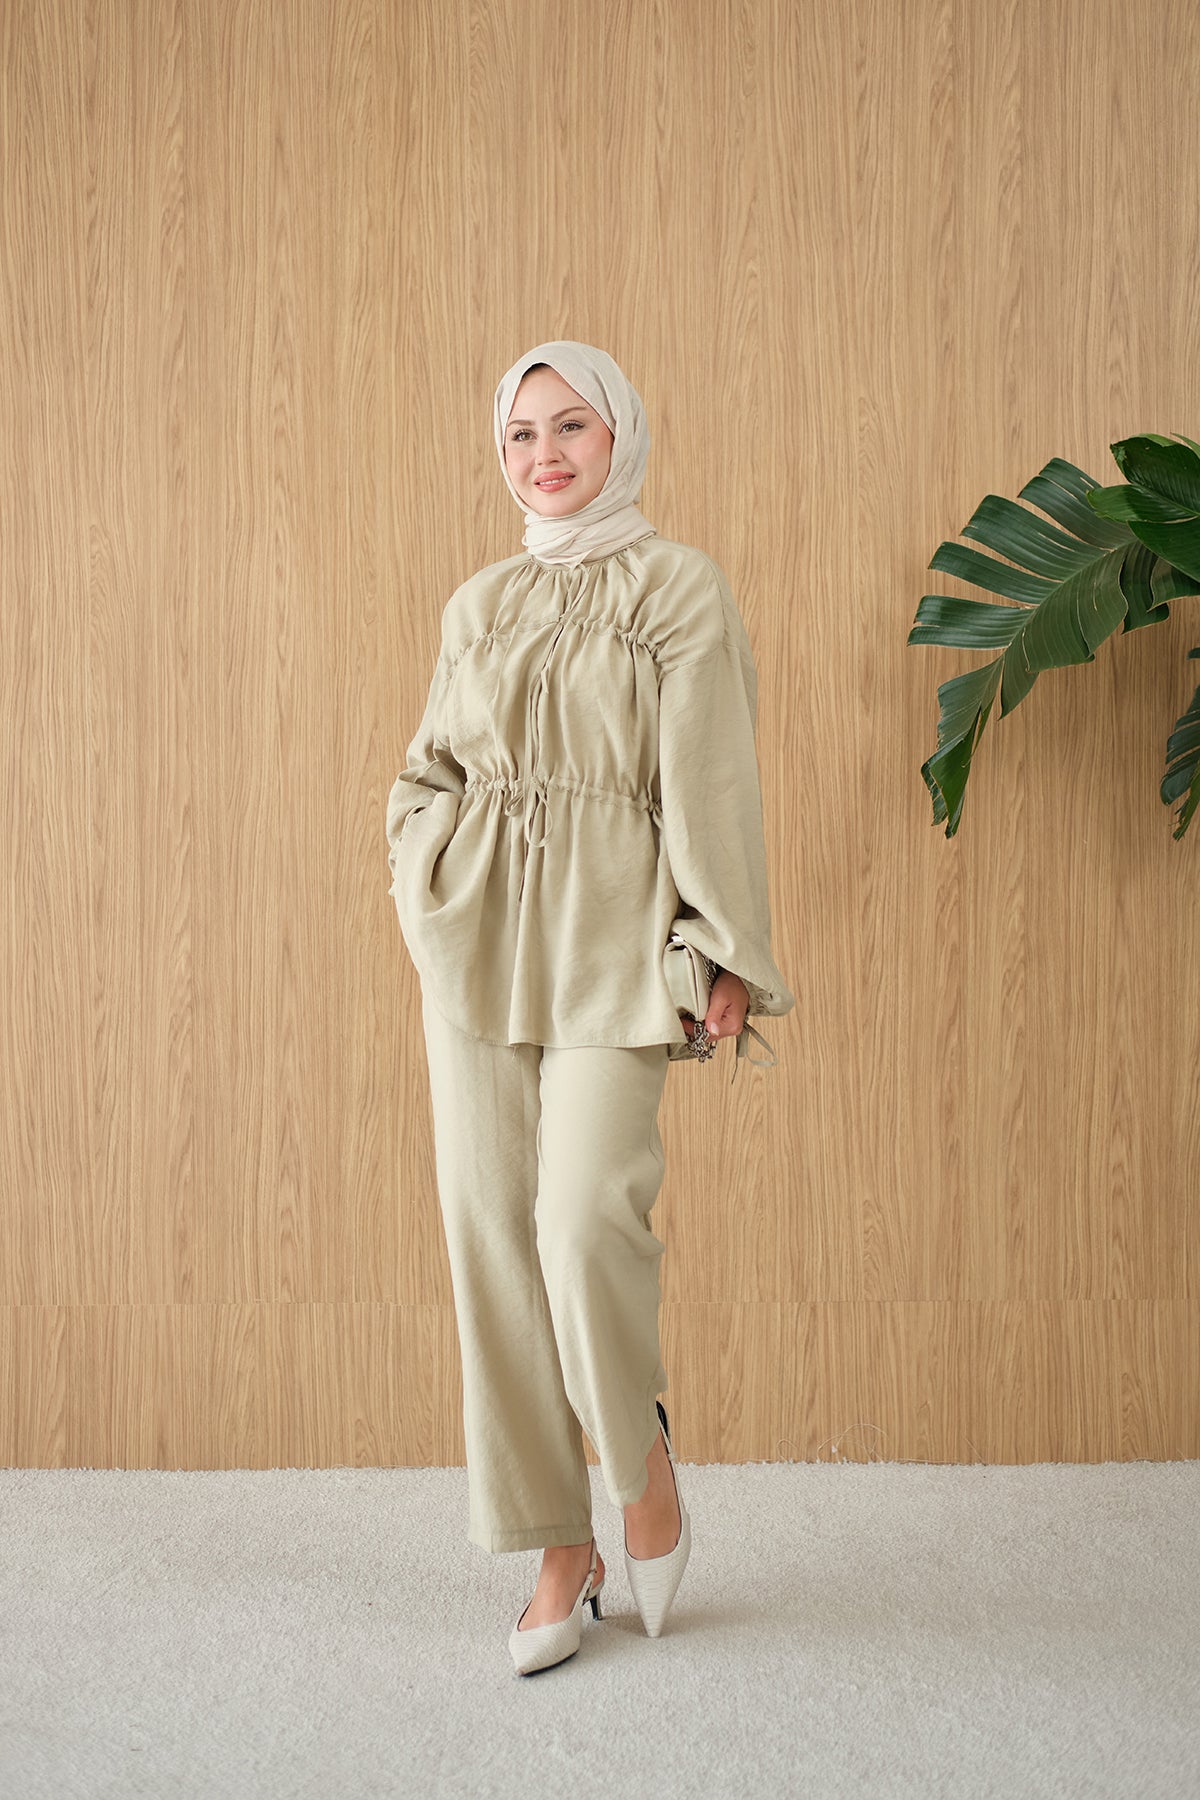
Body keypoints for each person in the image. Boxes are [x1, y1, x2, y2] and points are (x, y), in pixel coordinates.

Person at [385, 341, 795, 1674]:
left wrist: (720, 949)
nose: (544, 455)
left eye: (570, 426)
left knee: (577, 1224)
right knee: (491, 1240)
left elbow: (709, 779)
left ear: (620, 433)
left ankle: (641, 1464)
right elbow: (429, 770)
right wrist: (422, 872)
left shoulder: (678, 587)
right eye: (520, 434)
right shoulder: (480, 603)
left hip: (616, 942)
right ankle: (560, 1547)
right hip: (476, 945)